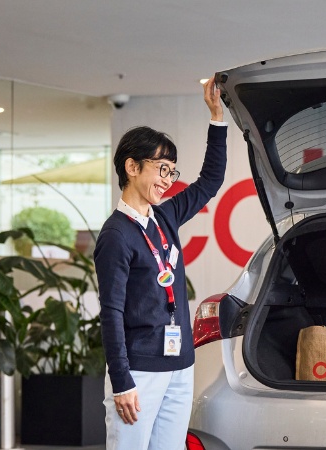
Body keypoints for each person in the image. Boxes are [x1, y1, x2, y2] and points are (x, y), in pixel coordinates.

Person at [94, 78, 227, 450]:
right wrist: (121, 381)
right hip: (138, 372)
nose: (168, 181)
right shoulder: (116, 236)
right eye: (161, 169)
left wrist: (217, 118)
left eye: (172, 171)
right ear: (132, 167)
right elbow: (111, 312)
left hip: (179, 367)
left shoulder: (164, 217)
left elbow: (211, 180)